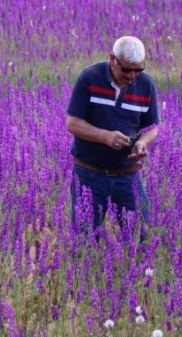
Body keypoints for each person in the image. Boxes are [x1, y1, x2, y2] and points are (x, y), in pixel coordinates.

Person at [66, 36, 159, 233]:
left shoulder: (146, 84)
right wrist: (105, 137)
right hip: (89, 174)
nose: (132, 75)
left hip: (128, 175)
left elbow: (152, 127)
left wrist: (141, 143)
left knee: (142, 237)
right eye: (126, 69)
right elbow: (73, 123)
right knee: (85, 240)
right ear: (112, 59)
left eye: (138, 69)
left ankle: (142, 266)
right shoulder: (89, 78)